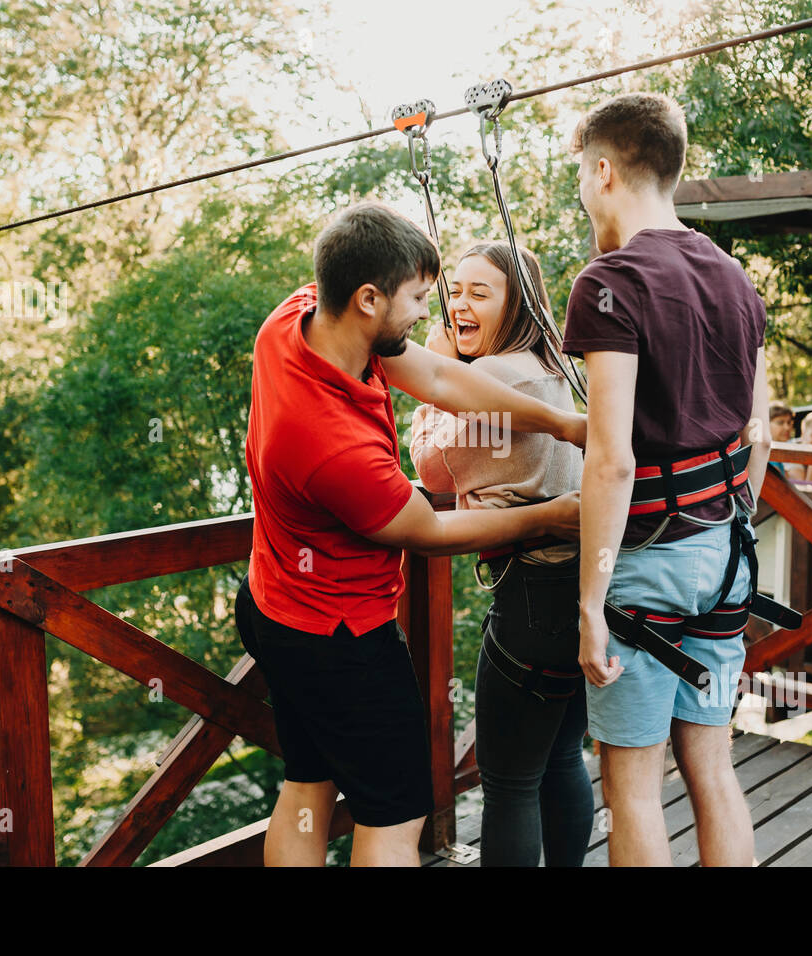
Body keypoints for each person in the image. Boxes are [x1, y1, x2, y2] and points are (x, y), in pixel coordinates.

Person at [236, 201, 586, 867]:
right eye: (421, 297)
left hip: (272, 603)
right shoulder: (330, 444)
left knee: (307, 784)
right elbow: (426, 529)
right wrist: (550, 516)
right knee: (396, 819)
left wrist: (562, 423)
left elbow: (431, 374)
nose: (431, 312)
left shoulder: (302, 314)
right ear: (369, 298)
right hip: (339, 638)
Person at [564, 92, 770, 867]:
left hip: (644, 569)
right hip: (725, 558)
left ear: (605, 171)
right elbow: (761, 437)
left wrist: (589, 603)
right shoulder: (734, 277)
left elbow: (611, 458)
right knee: (713, 771)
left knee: (634, 790)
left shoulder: (611, 282)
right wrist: (721, 519)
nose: (584, 189)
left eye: (585, 175)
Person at [409, 240, 592, 867]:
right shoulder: (558, 368)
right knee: (563, 757)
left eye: (479, 293)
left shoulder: (490, 376)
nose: (459, 304)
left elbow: (431, 470)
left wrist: (434, 374)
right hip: (582, 591)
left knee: (510, 782)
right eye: (454, 291)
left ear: (517, 304)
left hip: (530, 599)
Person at [767, 401, 794, 480]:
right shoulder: (767, 456)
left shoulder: (777, 455)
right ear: (767, 423)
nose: (787, 427)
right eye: (780, 422)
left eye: (789, 423)